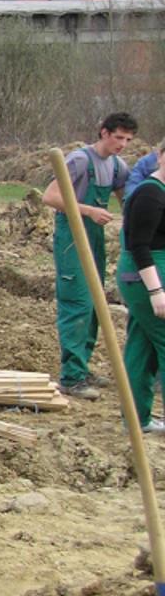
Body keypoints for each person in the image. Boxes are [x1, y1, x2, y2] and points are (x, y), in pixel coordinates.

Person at [42, 112, 137, 399]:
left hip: (94, 238)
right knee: (78, 303)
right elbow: (50, 197)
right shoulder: (80, 160)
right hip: (72, 236)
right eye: (118, 137)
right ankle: (71, 377)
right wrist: (89, 210)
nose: (122, 144)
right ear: (104, 133)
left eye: (128, 139)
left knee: (96, 304)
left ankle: (82, 368)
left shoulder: (118, 166)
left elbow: (128, 201)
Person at [115, 156, 165, 434]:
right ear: (160, 156)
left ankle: (137, 420)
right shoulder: (150, 193)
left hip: (149, 274)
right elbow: (139, 245)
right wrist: (156, 291)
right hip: (147, 275)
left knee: (141, 348)